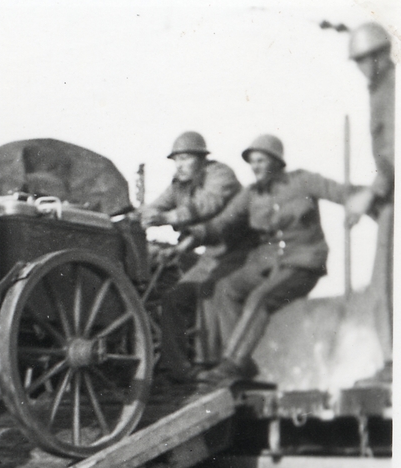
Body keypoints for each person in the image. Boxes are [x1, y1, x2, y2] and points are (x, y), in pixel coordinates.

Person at [186, 135, 357, 384]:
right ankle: (243, 365)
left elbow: (339, 192)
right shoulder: (251, 194)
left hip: (303, 262)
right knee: (225, 289)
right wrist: (194, 234)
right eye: (252, 162)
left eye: (261, 161)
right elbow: (223, 222)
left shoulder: (303, 181)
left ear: (277, 162)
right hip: (269, 263)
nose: (255, 166)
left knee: (261, 298)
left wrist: (368, 198)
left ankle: (232, 364)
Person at [137, 131, 249, 379]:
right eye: (176, 160)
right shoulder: (179, 185)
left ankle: (230, 367)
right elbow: (156, 206)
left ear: (201, 158)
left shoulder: (220, 175)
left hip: (244, 252)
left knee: (215, 292)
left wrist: (166, 218)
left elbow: (208, 204)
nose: (179, 165)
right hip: (213, 255)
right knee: (174, 299)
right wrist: (137, 216)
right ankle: (180, 370)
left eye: (185, 158)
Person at [344, 21, 394, 383]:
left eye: (365, 58)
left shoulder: (391, 90)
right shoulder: (380, 91)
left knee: (388, 281)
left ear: (381, 54)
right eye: (358, 60)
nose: (362, 66)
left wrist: (370, 194)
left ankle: (393, 365)